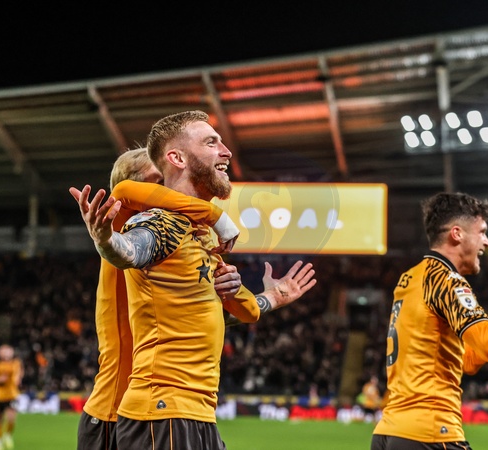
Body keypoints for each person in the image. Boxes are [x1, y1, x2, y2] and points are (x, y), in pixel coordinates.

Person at [71, 110, 317, 449]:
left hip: (181, 410)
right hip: (124, 410)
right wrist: (215, 215)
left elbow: (200, 313)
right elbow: (125, 238)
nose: (164, 190)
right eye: (156, 183)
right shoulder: (149, 222)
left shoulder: (196, 236)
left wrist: (271, 297)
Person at [371, 192, 488, 450]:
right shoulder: (447, 281)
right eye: (482, 232)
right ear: (457, 234)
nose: (487, 242)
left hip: (390, 432)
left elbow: (465, 360)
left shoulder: (412, 278)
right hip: (431, 432)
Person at [0, 344, 23, 450]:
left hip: (12, 394)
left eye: (8, 351)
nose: (6, 353)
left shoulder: (16, 363)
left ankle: (8, 435)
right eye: (3, 351)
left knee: (12, 418)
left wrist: (18, 378)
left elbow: (19, 373)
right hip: (0, 396)